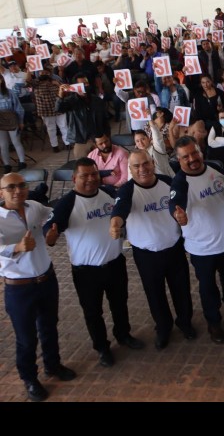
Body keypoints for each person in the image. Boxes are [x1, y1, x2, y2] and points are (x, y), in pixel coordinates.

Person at [43, 158, 145, 368]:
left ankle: (123, 334)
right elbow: (50, 229)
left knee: (120, 303)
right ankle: (102, 347)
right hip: (86, 272)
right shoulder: (67, 203)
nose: (90, 179)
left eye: (94, 174)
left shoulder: (108, 193)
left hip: (115, 263)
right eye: (85, 176)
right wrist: (50, 236)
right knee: (93, 312)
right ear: (74, 179)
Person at [169, 137, 224, 345]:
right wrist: (177, 214)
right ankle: (214, 322)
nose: (192, 159)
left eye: (194, 153)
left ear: (200, 151)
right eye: (185, 157)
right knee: (208, 287)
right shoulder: (180, 181)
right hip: (202, 248)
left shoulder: (216, 169)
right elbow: (175, 201)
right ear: (179, 160)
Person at [0, 173, 76, 402]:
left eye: (22, 185)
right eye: (11, 187)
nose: (17, 191)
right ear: (1, 192)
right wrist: (17, 247)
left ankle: (53, 365)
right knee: (26, 337)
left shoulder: (34, 206)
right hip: (19, 288)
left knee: (49, 326)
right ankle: (30, 378)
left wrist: (51, 231)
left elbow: (52, 217)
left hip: (46, 279)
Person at [110, 150, 194, 350]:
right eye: (136, 166)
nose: (142, 169)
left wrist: (181, 216)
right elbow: (120, 210)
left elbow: (179, 202)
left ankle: (185, 322)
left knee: (182, 289)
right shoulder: (126, 190)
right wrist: (115, 224)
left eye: (146, 163)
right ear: (130, 170)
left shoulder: (168, 182)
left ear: (153, 163)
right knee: (155, 294)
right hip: (146, 254)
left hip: (174, 248)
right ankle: (163, 328)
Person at [57, 74, 109, 159]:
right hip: (81, 140)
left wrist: (107, 137)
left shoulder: (97, 100)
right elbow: (59, 109)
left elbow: (105, 120)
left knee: (103, 162)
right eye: (81, 84)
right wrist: (60, 96)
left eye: (86, 83)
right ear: (75, 86)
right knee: (83, 164)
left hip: (99, 138)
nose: (85, 86)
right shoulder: (71, 101)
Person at [0, 77, 26, 173]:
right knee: (3, 144)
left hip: (12, 119)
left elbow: (18, 107)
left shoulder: (10, 92)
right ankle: (7, 165)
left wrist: (21, 121)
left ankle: (22, 162)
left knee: (16, 141)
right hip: (0, 121)